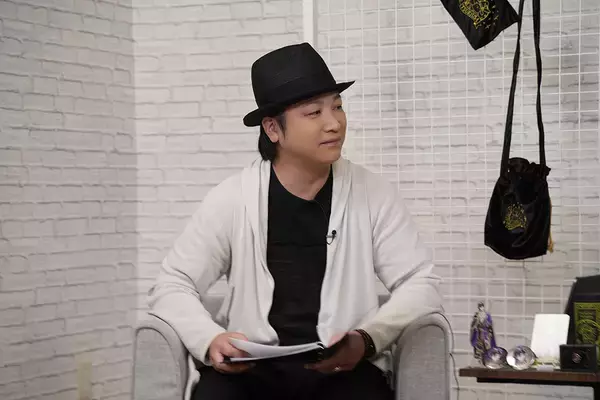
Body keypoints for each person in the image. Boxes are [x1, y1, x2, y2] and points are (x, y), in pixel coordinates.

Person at [147, 42, 443, 400]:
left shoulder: (372, 193)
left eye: (337, 106)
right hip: (252, 371)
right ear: (273, 129)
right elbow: (172, 284)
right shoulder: (233, 198)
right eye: (314, 112)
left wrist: (367, 339)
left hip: (342, 370)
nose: (334, 123)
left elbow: (420, 283)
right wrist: (210, 339)